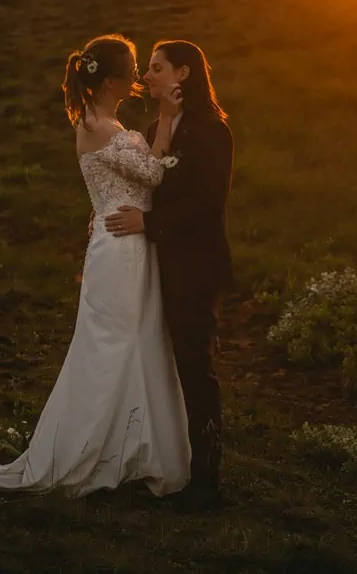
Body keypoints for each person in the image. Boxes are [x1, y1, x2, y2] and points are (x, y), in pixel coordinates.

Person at [0, 34, 190, 497]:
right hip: (119, 252)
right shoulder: (98, 124)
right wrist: (167, 120)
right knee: (111, 346)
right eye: (132, 65)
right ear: (112, 78)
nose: (137, 74)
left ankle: (131, 451)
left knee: (139, 341)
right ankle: (92, 452)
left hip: (132, 246)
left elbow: (144, 175)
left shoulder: (108, 120)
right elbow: (152, 173)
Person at [104, 40, 234, 511]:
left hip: (195, 268)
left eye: (156, 68)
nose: (148, 75)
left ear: (182, 74)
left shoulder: (211, 131)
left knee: (195, 370)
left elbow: (207, 204)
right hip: (157, 266)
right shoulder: (154, 127)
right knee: (161, 365)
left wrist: (149, 224)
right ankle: (163, 462)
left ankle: (207, 481)